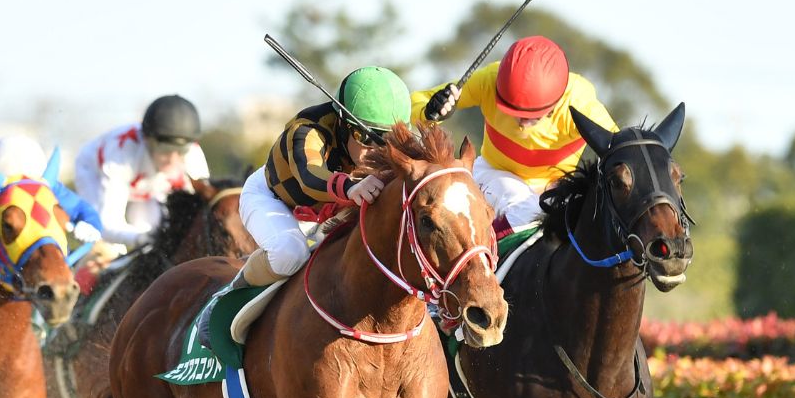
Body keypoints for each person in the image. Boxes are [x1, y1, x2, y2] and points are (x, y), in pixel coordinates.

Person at [196, 66, 411, 346]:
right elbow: (310, 176)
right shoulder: (307, 130)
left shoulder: (378, 145)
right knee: (290, 253)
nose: (377, 151)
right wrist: (350, 187)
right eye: (366, 137)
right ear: (344, 122)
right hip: (274, 200)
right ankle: (227, 297)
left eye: (387, 140)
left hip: (325, 215)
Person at [413, 35, 618, 236]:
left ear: (555, 103)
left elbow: (621, 148)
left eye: (531, 117)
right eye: (513, 112)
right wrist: (430, 111)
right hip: (494, 173)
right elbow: (413, 104)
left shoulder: (580, 103)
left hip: (556, 189)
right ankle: (478, 259)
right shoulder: (489, 80)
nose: (521, 122)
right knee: (531, 212)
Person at [73, 95, 210, 257]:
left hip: (146, 185)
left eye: (181, 150)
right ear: (147, 140)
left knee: (151, 232)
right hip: (94, 173)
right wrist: (144, 238)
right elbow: (108, 226)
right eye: (165, 148)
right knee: (108, 246)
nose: (173, 159)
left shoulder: (193, 155)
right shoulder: (121, 155)